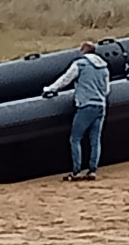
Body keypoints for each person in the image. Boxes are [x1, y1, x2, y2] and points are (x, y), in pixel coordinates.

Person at [42, 41, 111, 181]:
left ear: (84, 51)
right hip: (100, 106)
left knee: (75, 138)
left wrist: (50, 89)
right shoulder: (104, 68)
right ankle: (92, 170)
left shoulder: (80, 64)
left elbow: (65, 80)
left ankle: (76, 171)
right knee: (95, 140)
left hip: (85, 105)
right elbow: (106, 90)